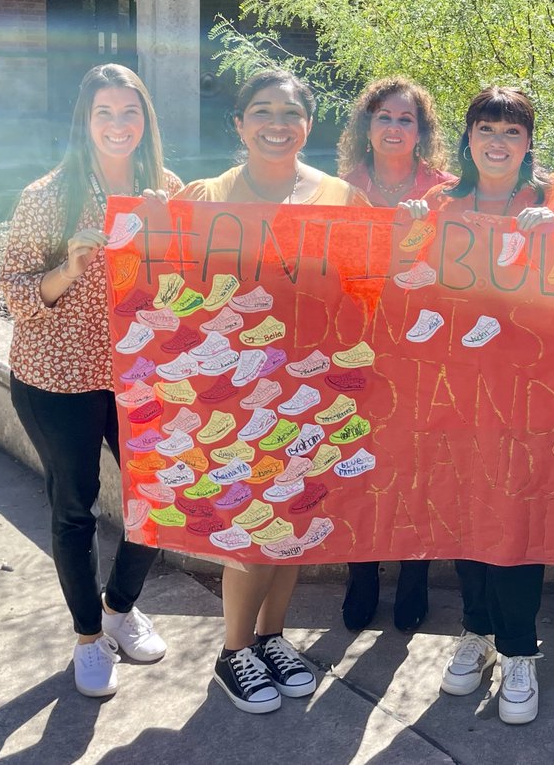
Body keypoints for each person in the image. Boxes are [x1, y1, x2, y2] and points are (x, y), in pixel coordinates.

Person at [175, 69, 371, 714]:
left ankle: (270, 637)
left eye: (290, 112)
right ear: (239, 124)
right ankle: (234, 653)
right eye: (261, 111)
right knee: (247, 525)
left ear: (308, 125)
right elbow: (172, 283)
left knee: (294, 517)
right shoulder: (208, 195)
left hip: (311, 384)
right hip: (232, 389)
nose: (276, 124)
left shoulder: (341, 196)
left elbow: (372, 280)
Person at [401, 86, 554, 725]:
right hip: (453, 390)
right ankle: (475, 631)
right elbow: (402, 282)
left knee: (517, 519)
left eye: (511, 130)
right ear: (469, 138)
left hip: (527, 394)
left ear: (529, 142)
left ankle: (520, 651)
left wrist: (553, 241)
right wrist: (404, 234)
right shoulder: (438, 204)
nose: (498, 141)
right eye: (486, 129)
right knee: (464, 512)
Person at [1, 63, 181, 697]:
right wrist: (68, 268)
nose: (117, 125)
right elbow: (15, 290)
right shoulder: (49, 196)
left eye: (129, 112)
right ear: (85, 120)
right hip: (60, 375)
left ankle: (119, 608)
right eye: (104, 112)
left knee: (160, 497)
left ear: (146, 121)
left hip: (138, 375)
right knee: (74, 509)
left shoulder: (165, 190)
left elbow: (187, 288)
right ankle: (87, 638)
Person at [335, 76, 453, 632]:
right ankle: (363, 574)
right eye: (384, 116)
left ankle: (414, 575)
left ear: (421, 131)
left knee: (419, 467)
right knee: (358, 463)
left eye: (406, 119)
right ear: (367, 126)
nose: (394, 127)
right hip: (355, 348)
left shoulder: (447, 194)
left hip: (427, 351)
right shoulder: (338, 191)